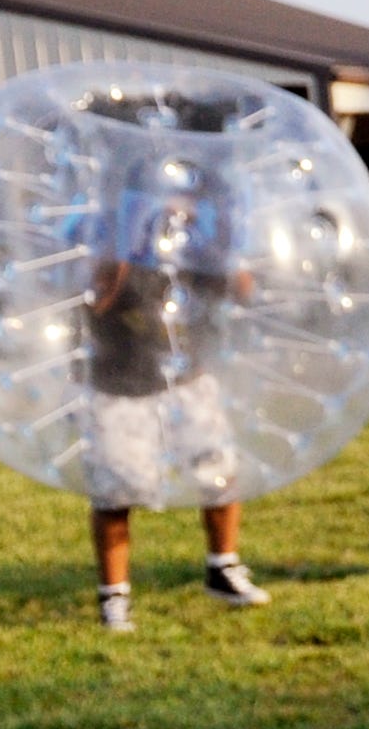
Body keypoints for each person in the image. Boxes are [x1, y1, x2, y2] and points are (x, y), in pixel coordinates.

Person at [79, 179, 267, 632]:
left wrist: (215, 242)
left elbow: (243, 291)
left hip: (188, 377)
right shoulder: (107, 247)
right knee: (115, 492)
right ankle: (114, 599)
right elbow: (99, 301)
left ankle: (222, 568)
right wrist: (131, 240)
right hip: (119, 384)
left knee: (219, 470)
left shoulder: (190, 253)